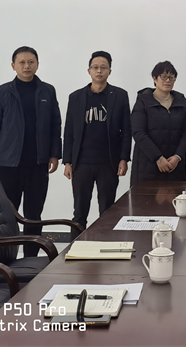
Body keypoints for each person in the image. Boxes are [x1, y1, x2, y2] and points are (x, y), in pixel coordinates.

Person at [0, 46, 61, 256]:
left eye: (31, 62)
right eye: (22, 62)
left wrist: (55, 153)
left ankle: (31, 259)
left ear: (37, 64)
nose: (27, 66)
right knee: (7, 215)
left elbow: (55, 124)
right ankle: (6, 257)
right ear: (13, 66)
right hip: (8, 164)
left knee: (33, 215)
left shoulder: (47, 91)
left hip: (38, 163)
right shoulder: (2, 92)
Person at [62, 51, 131, 238]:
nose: (99, 71)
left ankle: (106, 248)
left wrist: (124, 158)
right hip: (81, 163)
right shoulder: (76, 97)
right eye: (95, 67)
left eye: (103, 67)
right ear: (89, 71)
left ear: (109, 71)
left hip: (109, 162)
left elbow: (126, 130)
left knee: (107, 212)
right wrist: (67, 161)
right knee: (79, 212)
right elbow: (69, 131)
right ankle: (75, 249)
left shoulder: (120, 96)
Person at [130, 61, 186, 185]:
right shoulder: (143, 101)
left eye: (171, 77)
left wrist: (178, 156)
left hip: (175, 166)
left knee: (176, 197)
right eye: (163, 77)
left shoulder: (182, 102)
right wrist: (158, 158)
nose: (168, 80)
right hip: (148, 166)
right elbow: (138, 133)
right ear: (155, 79)